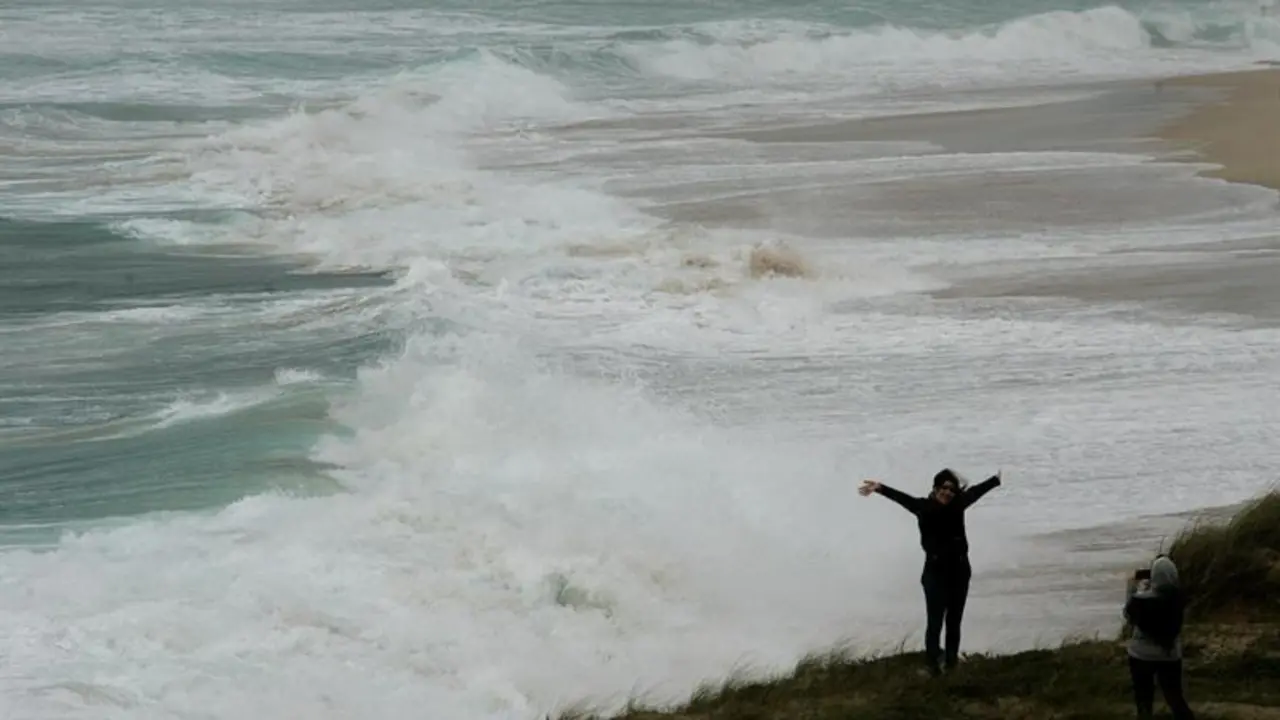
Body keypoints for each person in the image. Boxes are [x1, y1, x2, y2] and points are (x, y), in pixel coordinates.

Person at [859, 468, 1002, 675]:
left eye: (952, 490)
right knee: (934, 622)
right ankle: (932, 665)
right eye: (944, 488)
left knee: (954, 621)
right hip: (935, 574)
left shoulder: (958, 505)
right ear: (935, 489)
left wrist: (996, 480)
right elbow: (902, 499)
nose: (948, 493)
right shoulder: (923, 507)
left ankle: (951, 664)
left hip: (960, 571)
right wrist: (880, 488)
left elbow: (976, 492)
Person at [1124, 555, 1195, 719]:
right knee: (1175, 697)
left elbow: (1128, 616)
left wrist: (1133, 589)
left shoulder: (1140, 600)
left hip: (1141, 655)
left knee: (1143, 700)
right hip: (1170, 655)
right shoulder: (1179, 599)